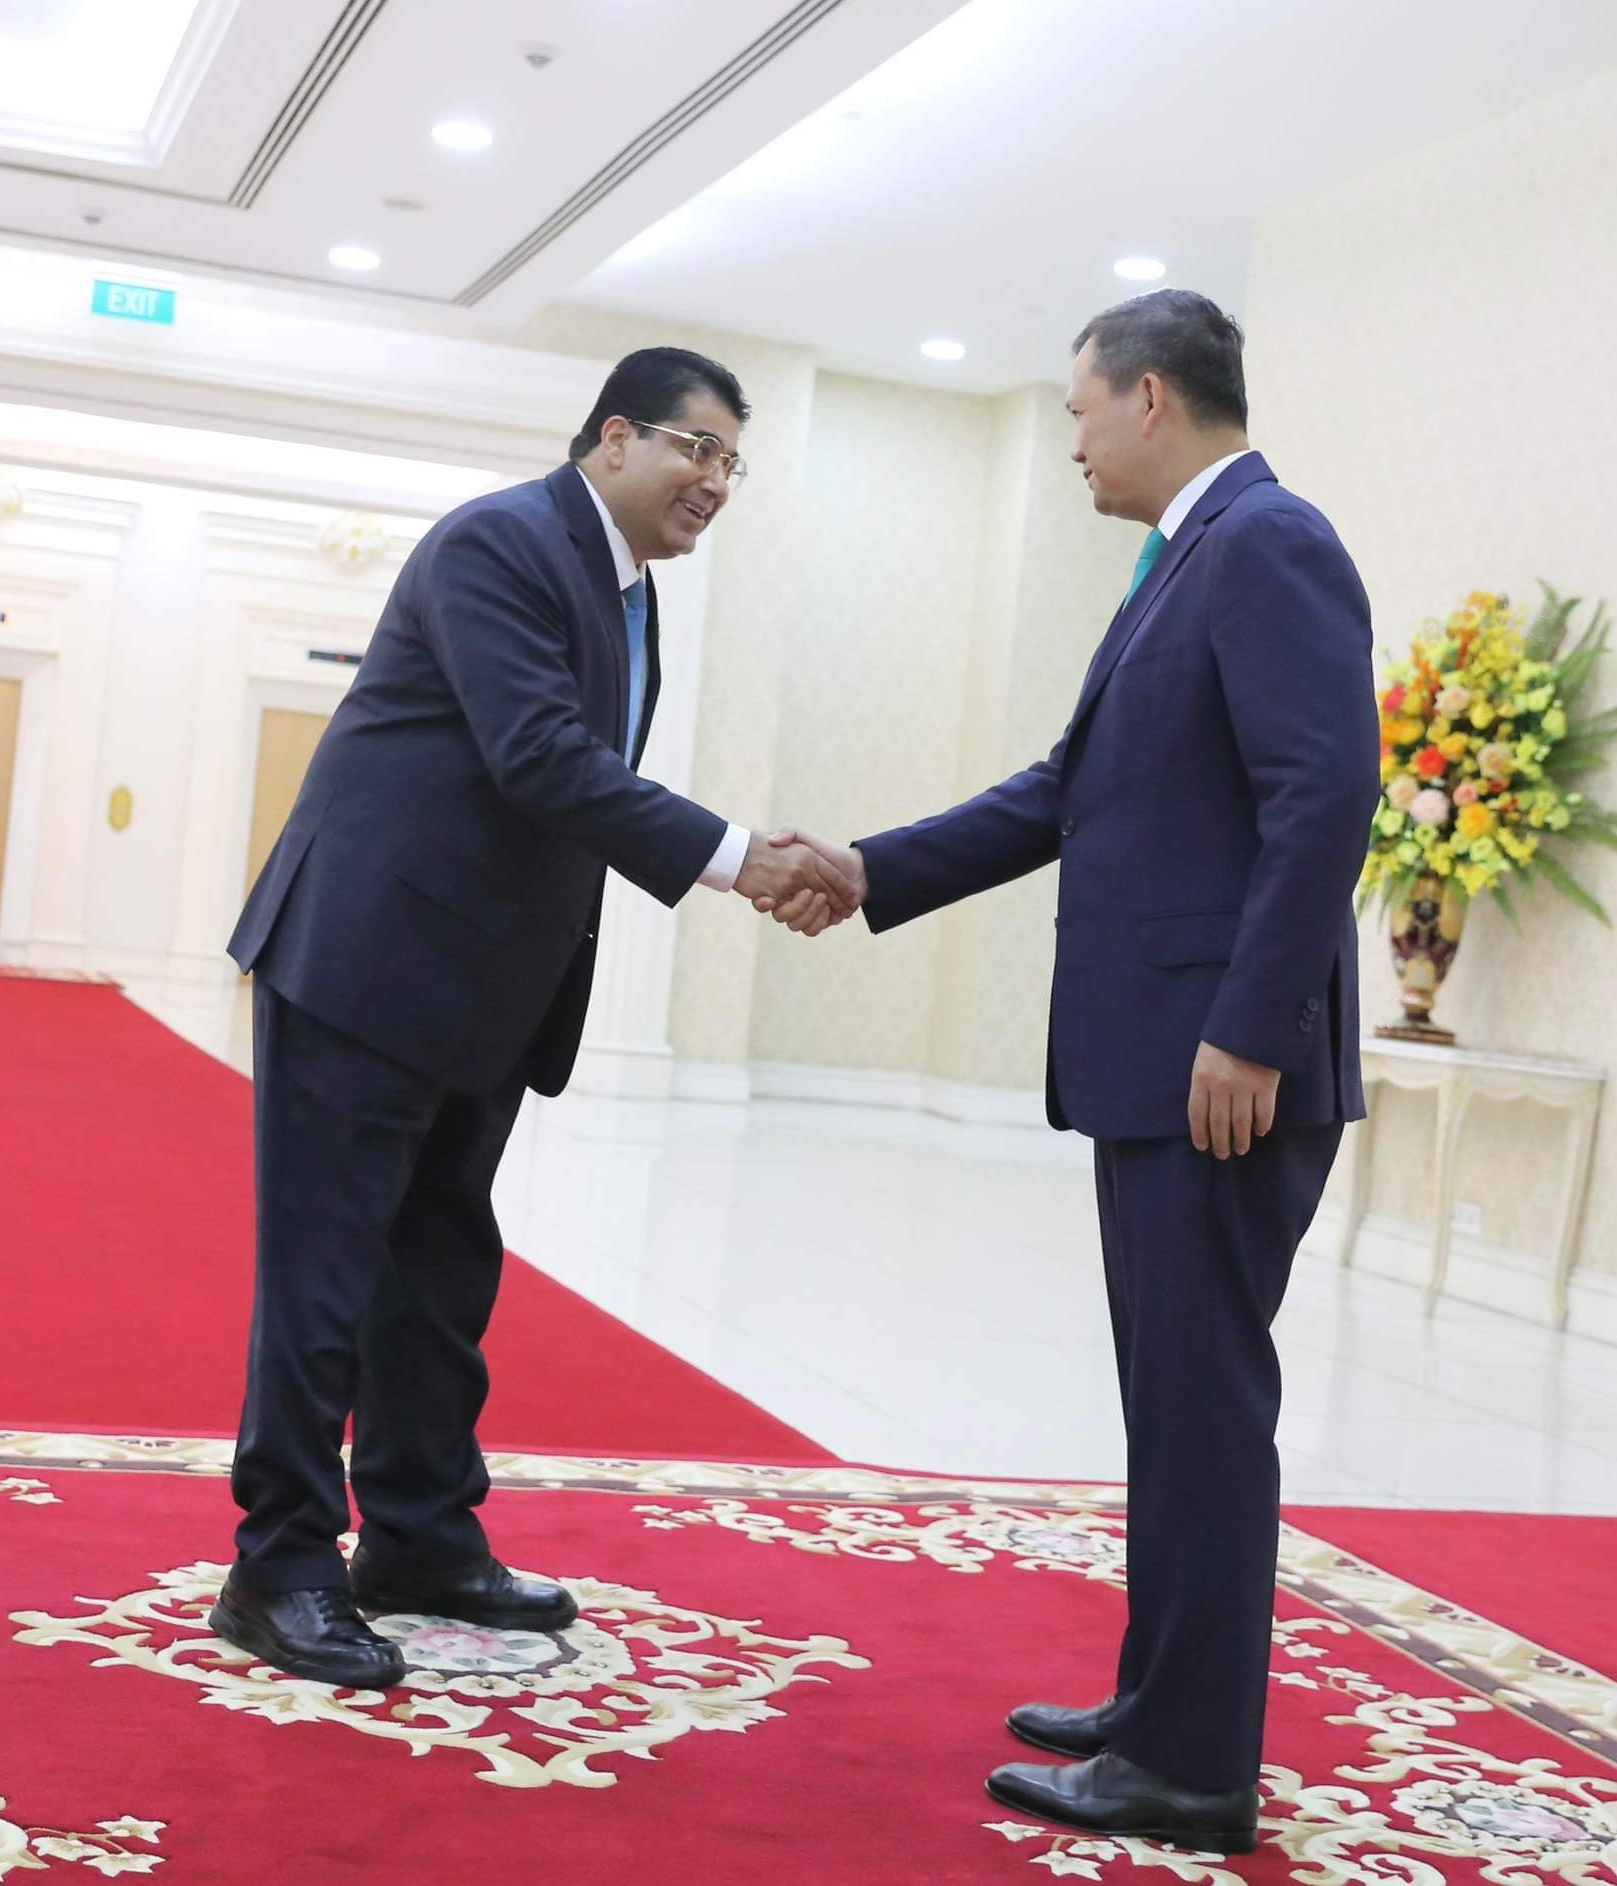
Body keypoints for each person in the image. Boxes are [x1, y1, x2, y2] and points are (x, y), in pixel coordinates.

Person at [768, 291, 1378, 1850]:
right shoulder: (1184, 557)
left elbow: (1326, 795)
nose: (1074, 440)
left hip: (1218, 1068)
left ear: (1151, 396)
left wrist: (1248, 1026)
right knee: (1170, 1408)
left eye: (1079, 410)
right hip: (1162, 1063)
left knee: (1202, 1409)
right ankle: (1161, 1705)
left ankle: (1190, 1769)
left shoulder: (1268, 541)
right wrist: (870, 867)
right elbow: (1070, 788)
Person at [213, 347, 853, 1688]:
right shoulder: (498, 544)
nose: (715, 481)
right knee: (327, 1276)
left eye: (734, 464)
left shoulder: (630, 593)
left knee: (440, 1271)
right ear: (615, 437)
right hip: (366, 965)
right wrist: (741, 857)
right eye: (696, 448)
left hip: (482, 989)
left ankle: (420, 1540)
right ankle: (278, 1567)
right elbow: (541, 759)